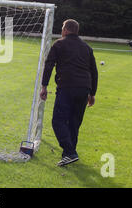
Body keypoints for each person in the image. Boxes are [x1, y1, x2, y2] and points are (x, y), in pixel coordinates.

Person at [40, 19, 98, 167]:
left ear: (65, 30)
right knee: (74, 123)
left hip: (66, 87)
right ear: (76, 31)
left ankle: (70, 152)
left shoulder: (59, 44)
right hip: (84, 88)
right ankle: (68, 155)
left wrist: (44, 86)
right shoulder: (87, 47)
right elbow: (94, 71)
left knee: (58, 121)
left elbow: (49, 65)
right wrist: (92, 94)